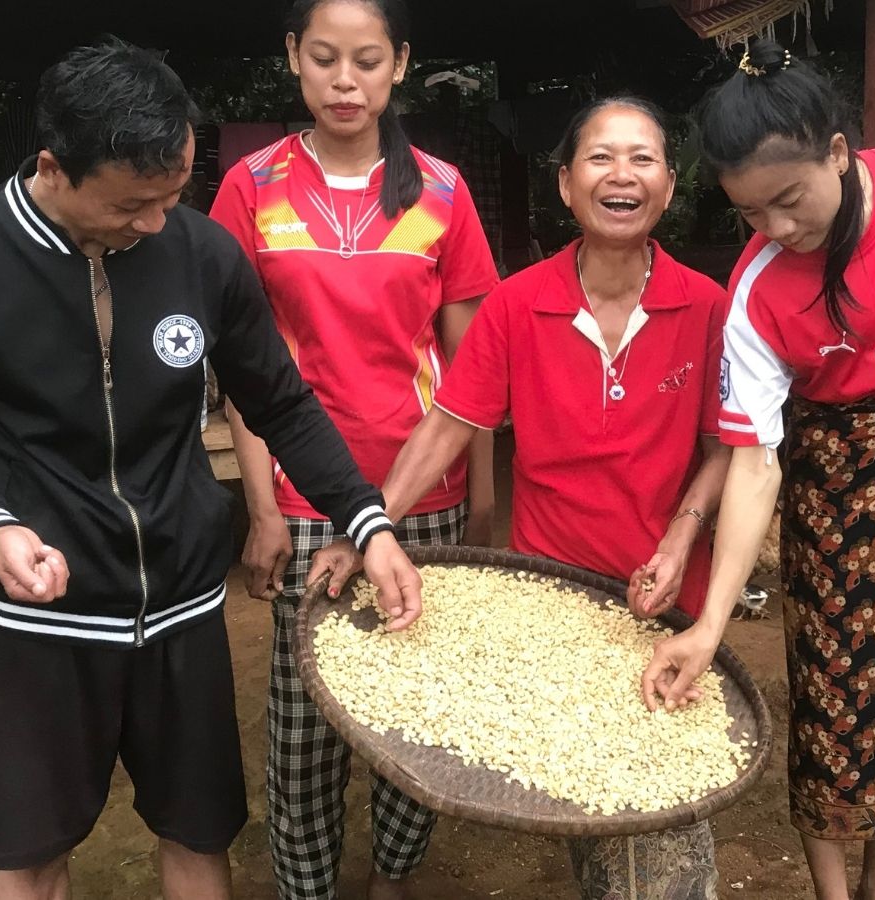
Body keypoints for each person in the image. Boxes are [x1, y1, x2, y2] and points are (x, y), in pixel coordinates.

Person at [0, 38, 422, 900]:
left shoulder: (202, 255)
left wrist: (367, 520)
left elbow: (280, 402)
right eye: (135, 203)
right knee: (30, 854)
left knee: (197, 829)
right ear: (56, 168)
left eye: (175, 194)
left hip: (182, 605)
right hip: (47, 617)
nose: (158, 223)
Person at [315, 95, 731, 900]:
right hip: (553, 604)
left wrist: (681, 541)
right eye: (600, 158)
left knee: (663, 830)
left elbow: (725, 453)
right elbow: (446, 426)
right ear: (567, 186)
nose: (622, 175)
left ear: (671, 186)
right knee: (593, 804)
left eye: (642, 158)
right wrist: (367, 527)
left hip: (666, 604)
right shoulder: (517, 302)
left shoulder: (706, 306)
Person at [641, 39, 875, 900]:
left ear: (838, 154)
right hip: (832, 491)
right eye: (748, 214)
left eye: (789, 199)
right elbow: (754, 463)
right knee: (838, 698)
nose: (776, 228)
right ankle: (832, 891)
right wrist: (710, 623)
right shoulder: (759, 290)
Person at [207, 2, 499, 898]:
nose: (345, 80)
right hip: (301, 502)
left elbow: (474, 372)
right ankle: (309, 886)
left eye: (367, 60)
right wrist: (258, 509)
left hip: (427, 494)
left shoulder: (443, 192)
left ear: (400, 65)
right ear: (292, 57)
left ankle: (394, 879)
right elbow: (241, 371)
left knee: (418, 710)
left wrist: (482, 503)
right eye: (325, 58)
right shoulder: (249, 188)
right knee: (305, 725)